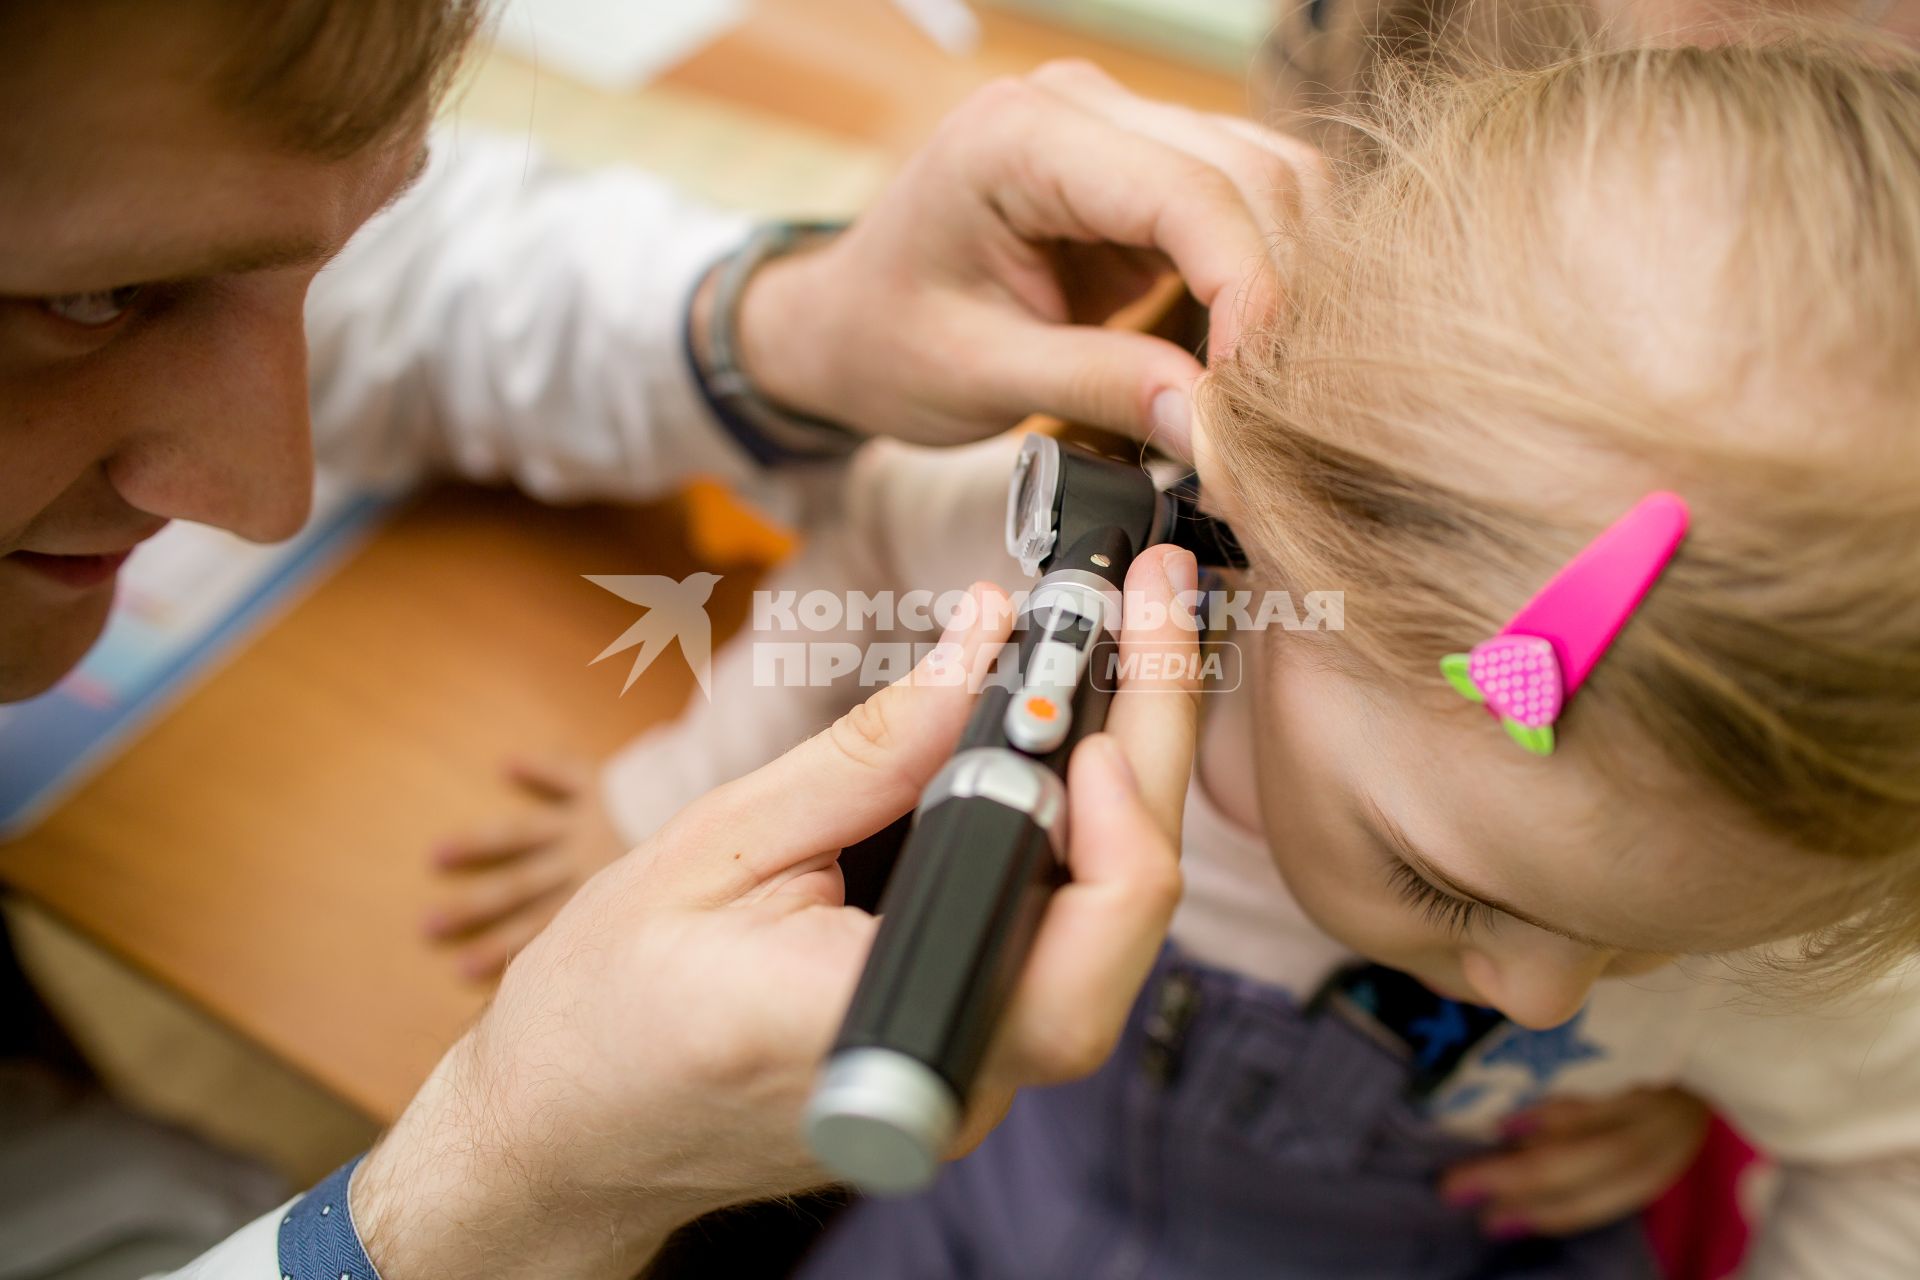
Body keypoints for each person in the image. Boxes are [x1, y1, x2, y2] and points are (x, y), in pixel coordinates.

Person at [491, 31, 1920, 1279]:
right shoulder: (1074, 582)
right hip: (974, 1193)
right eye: (1438, 881)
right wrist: (664, 810)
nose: (1542, 1001)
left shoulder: (1793, 876)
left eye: (1665, 944)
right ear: (1263, 515)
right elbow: (865, 551)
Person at [0, 1, 1329, 1275]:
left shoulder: (1511, 684)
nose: (268, 491)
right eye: (99, 298)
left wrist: (791, 326)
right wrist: (506, 1191)